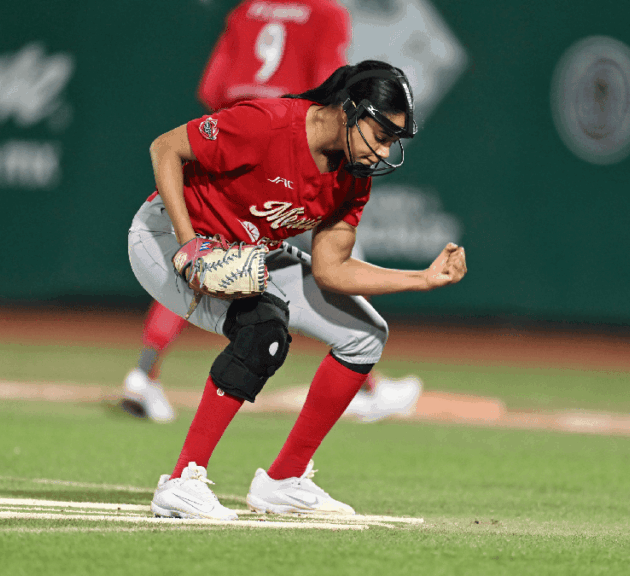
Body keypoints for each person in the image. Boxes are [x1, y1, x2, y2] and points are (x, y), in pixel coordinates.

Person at [128, 60, 467, 519]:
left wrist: (422, 279)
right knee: (262, 331)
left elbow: (332, 269)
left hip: (248, 249)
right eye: (382, 135)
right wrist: (190, 246)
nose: (385, 151)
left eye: (393, 141)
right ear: (350, 110)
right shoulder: (268, 124)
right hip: (167, 237)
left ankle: (283, 481)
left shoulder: (353, 174)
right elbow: (165, 148)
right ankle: (183, 481)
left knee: (364, 335)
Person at [121, 0, 423, 424]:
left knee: (206, 256)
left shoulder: (247, 10)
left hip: (240, 130)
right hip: (292, 145)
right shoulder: (325, 12)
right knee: (335, 263)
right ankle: (366, 383)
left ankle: (143, 371)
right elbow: (335, 90)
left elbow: (212, 89)